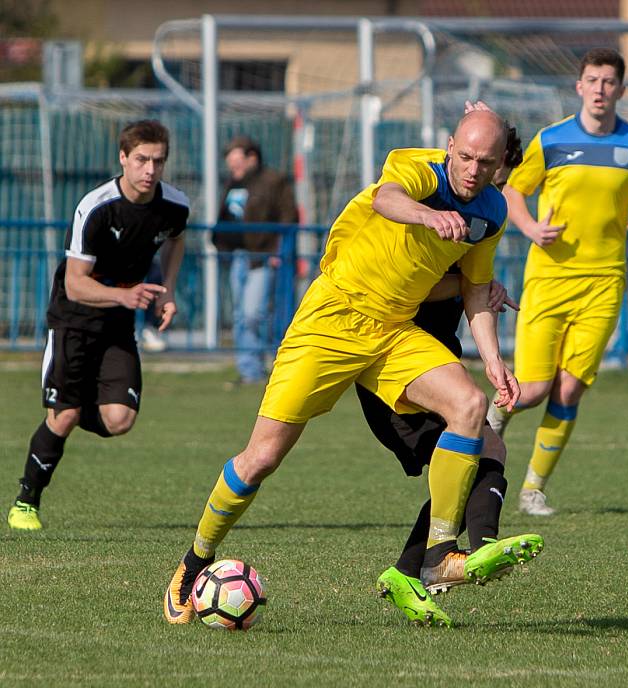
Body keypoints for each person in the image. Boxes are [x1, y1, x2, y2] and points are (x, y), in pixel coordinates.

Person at [164, 108, 527, 625]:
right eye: (464, 156)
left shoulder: (491, 211)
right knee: (261, 458)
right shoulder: (417, 168)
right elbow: (387, 197)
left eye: (484, 161)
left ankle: (440, 555)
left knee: (470, 406)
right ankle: (195, 560)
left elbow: (474, 287)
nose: (471, 168)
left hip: (394, 331)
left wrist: (494, 361)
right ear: (449, 146)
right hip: (332, 319)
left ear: (497, 167)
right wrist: (428, 215)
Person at [360, 121, 542, 627]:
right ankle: (469, 553)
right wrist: (473, 285)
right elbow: (412, 288)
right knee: (474, 454)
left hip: (437, 362)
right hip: (391, 364)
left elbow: (471, 287)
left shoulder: (486, 213)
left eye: (494, 172)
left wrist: (483, 299)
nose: (486, 182)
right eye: (479, 167)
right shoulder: (436, 203)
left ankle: (411, 570)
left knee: (489, 451)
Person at [487, 47, 628, 516]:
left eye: (609, 82)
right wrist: (529, 229)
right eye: (592, 80)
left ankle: (532, 489)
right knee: (530, 389)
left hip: (604, 281)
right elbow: (513, 191)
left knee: (569, 390)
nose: (600, 89)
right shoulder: (551, 140)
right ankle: (487, 425)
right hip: (548, 279)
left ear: (621, 90)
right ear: (579, 87)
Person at [7, 119, 189, 530]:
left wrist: (168, 290)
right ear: (123, 158)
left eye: (158, 161)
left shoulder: (174, 206)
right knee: (66, 416)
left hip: (118, 323)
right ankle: (26, 502)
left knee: (119, 420)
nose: (149, 170)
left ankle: (68, 403)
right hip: (73, 319)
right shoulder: (96, 208)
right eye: (141, 159)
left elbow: (177, 239)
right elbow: (74, 284)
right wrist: (125, 296)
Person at [214, 136, 298, 385]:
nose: (234, 169)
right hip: (238, 256)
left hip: (262, 257)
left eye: (238, 163)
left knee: (254, 314)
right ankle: (249, 371)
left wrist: (277, 250)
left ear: (252, 158)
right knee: (241, 315)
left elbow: (288, 217)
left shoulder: (273, 181)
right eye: (231, 165)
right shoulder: (233, 183)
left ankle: (272, 366)